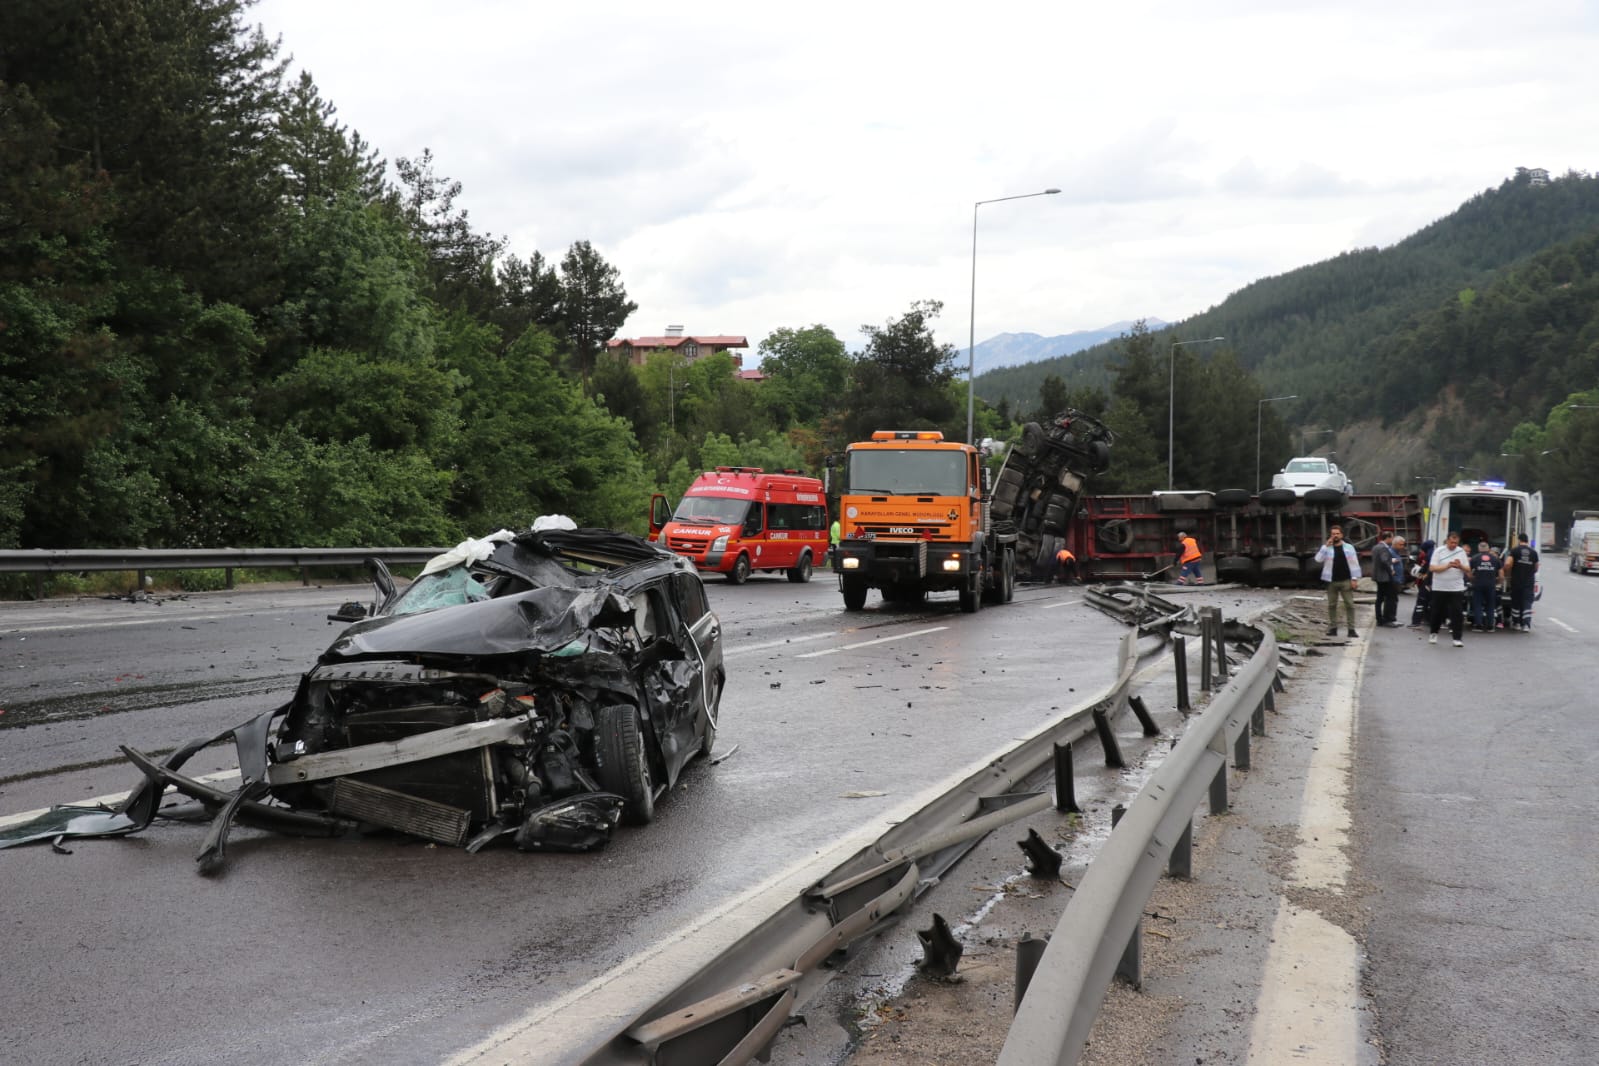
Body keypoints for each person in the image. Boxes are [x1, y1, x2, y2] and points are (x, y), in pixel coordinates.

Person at [1313, 523, 1362, 637]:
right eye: (1333, 534)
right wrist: (1325, 546)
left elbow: (1354, 563)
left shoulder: (1349, 547)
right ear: (1330, 535)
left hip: (1346, 580)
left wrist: (1354, 579)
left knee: (1349, 604)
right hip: (1331, 581)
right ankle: (1333, 628)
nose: (1335, 536)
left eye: (1337, 534)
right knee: (1332, 605)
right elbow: (1318, 559)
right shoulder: (1327, 547)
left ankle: (1351, 629)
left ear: (1342, 535)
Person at [1426, 530, 1470, 646]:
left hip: (1456, 587)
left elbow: (1468, 569)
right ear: (1447, 540)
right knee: (1437, 612)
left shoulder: (1461, 552)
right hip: (1439, 587)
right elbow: (1432, 568)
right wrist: (1448, 566)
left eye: (1456, 543)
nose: (1454, 545)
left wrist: (1460, 566)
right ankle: (1433, 633)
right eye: (1451, 542)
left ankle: (1457, 638)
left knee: (1457, 613)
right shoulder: (1439, 551)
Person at [1501, 532, 1540, 631]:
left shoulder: (1515, 551)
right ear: (1527, 541)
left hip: (1517, 581)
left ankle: (1516, 623)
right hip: (1529, 581)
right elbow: (1536, 567)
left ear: (1519, 540)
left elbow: (1508, 564)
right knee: (1527, 602)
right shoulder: (1534, 552)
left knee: (1516, 602)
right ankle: (1526, 625)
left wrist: (1505, 571)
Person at [1468, 540, 1502, 632]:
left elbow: (1469, 572)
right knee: (1490, 605)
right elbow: (1501, 574)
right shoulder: (1495, 559)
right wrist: (1497, 582)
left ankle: (1478, 625)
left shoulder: (1474, 558)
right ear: (1488, 549)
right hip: (1491, 585)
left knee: (1478, 604)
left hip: (1478, 584)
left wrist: (1472, 580)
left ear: (1479, 548)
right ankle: (1490, 626)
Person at [1371, 530, 1400, 627]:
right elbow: (1384, 560)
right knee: (1390, 597)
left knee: (1379, 598)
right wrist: (1390, 570)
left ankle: (1379, 619)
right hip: (1384, 577)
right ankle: (1388, 619)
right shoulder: (1384, 548)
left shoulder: (1376, 547)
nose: (1392, 540)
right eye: (1392, 538)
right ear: (1387, 538)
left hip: (1378, 576)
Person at [1409, 538, 1433, 627]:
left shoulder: (1428, 557)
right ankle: (1429, 620)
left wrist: (1421, 574)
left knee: (1421, 601)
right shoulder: (1435, 555)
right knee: (1430, 602)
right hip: (1435, 584)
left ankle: (1416, 621)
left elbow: (1424, 569)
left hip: (1426, 583)